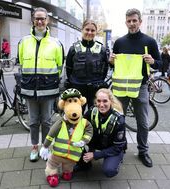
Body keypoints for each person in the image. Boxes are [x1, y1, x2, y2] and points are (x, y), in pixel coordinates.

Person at [109, 8, 162, 167]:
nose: (132, 24)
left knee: (143, 122)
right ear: (126, 22)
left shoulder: (150, 42)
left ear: (140, 21)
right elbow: (113, 67)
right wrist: (111, 61)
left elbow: (160, 64)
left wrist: (153, 62)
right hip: (120, 88)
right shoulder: (119, 42)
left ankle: (143, 151)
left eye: (134, 21)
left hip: (140, 87)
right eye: (129, 21)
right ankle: (118, 149)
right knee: (118, 120)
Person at [18, 7, 64, 162]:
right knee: (32, 121)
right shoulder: (24, 42)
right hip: (30, 88)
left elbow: (59, 67)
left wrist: (50, 83)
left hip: (48, 89)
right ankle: (34, 147)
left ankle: (45, 147)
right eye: (37, 18)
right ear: (33, 19)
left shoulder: (56, 43)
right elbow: (22, 64)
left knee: (46, 121)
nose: (40, 21)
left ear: (47, 20)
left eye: (42, 18)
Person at [75, 88, 127, 177]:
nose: (101, 105)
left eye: (105, 101)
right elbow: (79, 125)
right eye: (99, 101)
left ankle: (117, 159)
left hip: (112, 147)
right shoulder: (92, 111)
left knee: (109, 170)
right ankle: (85, 166)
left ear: (111, 101)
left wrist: (95, 155)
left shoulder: (119, 120)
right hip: (96, 143)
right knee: (74, 139)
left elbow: (118, 147)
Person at [66, 20, 109, 111]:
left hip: (95, 89)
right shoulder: (73, 48)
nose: (89, 32)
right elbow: (69, 68)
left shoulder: (101, 49)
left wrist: (99, 82)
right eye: (87, 29)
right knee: (76, 116)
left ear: (96, 32)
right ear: (82, 30)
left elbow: (105, 68)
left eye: (92, 30)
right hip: (78, 89)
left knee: (95, 116)